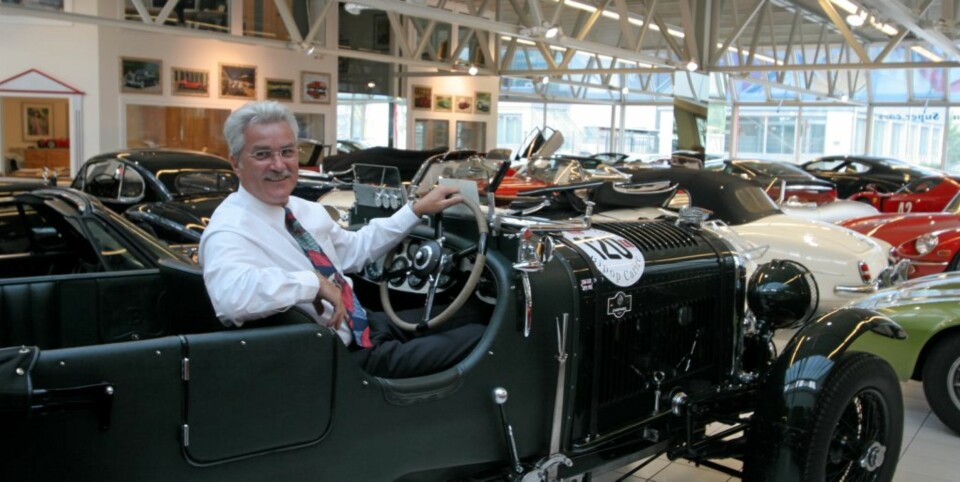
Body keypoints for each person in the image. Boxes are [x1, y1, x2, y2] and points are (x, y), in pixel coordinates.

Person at [199, 100, 485, 379]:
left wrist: (414, 211)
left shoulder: (304, 210)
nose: (279, 165)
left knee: (476, 313)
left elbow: (355, 250)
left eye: (287, 151)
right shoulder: (230, 229)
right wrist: (313, 283)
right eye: (262, 155)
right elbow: (231, 298)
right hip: (344, 362)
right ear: (236, 164)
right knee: (483, 339)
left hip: (362, 324)